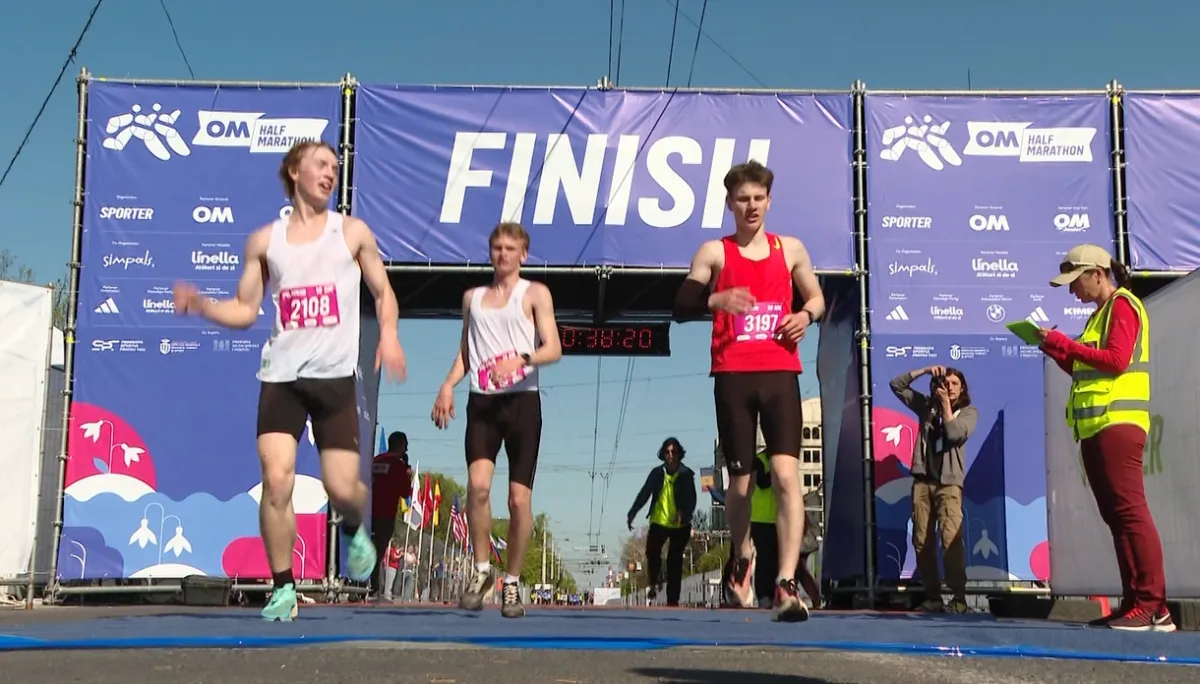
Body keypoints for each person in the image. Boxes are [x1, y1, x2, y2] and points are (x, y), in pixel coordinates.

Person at [173, 140, 407, 622]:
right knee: (276, 481)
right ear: (294, 171)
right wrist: (202, 305)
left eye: (335, 167)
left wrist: (389, 335)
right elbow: (245, 309)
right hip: (281, 378)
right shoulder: (265, 241)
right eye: (321, 164)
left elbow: (384, 292)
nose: (330, 172)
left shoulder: (352, 232)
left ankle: (353, 525)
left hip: (334, 380)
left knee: (343, 488)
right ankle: (283, 587)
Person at [672, 160, 825, 622]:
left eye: (759, 198)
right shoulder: (714, 253)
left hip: (779, 373)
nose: (751, 206)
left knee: (785, 476)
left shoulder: (790, 249)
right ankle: (742, 555)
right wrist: (716, 299)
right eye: (743, 199)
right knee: (738, 485)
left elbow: (817, 297)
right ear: (730, 204)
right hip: (733, 376)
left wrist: (806, 316)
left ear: (769, 202)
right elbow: (681, 305)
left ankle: (785, 581)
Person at [1037, 243, 1173, 632]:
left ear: (1097, 274)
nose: (1071, 290)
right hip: (1097, 426)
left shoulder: (1123, 305)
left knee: (1130, 513)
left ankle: (1152, 605)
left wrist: (1065, 345)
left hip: (1118, 423)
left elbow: (1117, 360)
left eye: (1074, 281)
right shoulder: (1099, 316)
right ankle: (1136, 603)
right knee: (1117, 517)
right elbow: (1087, 370)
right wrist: (1057, 351)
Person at [430, 222, 562, 619]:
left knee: (518, 499)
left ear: (523, 254)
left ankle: (513, 582)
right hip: (482, 403)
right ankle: (483, 569)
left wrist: (521, 359)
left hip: (522, 404)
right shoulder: (472, 298)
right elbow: (466, 352)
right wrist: (447, 385)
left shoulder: (535, 293)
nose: (503, 254)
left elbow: (553, 348)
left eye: (510, 248)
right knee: (477, 487)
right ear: (490, 253)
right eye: (497, 248)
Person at [889, 365, 977, 614]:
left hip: (949, 485)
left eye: (955, 384)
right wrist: (925, 371)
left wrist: (946, 406)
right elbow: (897, 385)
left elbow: (954, 433)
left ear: (962, 388)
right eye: (945, 383)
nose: (950, 387)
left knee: (951, 540)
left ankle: (959, 598)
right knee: (921, 540)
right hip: (923, 482)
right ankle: (933, 597)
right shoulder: (926, 406)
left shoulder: (969, 412)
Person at [719, 424, 822, 610]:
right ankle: (763, 595)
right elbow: (763, 482)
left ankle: (793, 593)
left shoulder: (787, 464)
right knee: (765, 560)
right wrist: (777, 475)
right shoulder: (760, 461)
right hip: (761, 520)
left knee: (785, 560)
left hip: (778, 519)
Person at [626, 437, 697, 607]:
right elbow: (645, 493)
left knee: (674, 560)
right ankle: (654, 582)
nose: (670, 455)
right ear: (663, 455)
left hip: (680, 524)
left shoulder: (686, 475)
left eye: (674, 452)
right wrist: (633, 512)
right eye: (667, 452)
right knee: (652, 552)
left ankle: (673, 599)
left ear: (679, 454)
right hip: (659, 522)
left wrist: (684, 514)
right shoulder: (657, 474)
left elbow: (692, 499)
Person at [371, 432, 412, 593]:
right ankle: (373, 586)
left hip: (367, 512)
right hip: (385, 514)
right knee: (378, 552)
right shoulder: (398, 465)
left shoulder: (375, 460)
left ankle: (358, 584)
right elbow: (405, 492)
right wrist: (407, 474)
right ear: (400, 445)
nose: (406, 449)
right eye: (405, 445)